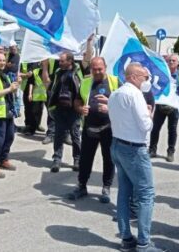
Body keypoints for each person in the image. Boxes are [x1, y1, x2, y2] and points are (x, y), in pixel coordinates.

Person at [108, 63, 160, 252]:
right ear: (134, 76)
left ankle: (126, 237)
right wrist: (150, 113)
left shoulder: (115, 94)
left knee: (124, 191)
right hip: (133, 148)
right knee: (146, 194)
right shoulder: (135, 94)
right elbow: (146, 125)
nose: (147, 81)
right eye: (145, 77)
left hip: (118, 144)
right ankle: (144, 243)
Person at [66, 57, 120, 203]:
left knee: (108, 159)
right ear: (91, 69)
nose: (97, 72)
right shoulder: (86, 82)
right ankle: (82, 186)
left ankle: (106, 187)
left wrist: (110, 108)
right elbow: (77, 101)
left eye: (100, 69)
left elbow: (123, 105)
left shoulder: (115, 81)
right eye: (94, 69)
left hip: (109, 128)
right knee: (85, 159)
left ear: (105, 67)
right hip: (89, 128)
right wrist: (80, 108)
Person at [149, 53, 179, 162]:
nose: (171, 62)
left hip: (174, 107)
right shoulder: (162, 73)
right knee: (155, 128)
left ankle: (170, 152)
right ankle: (152, 150)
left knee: (172, 130)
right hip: (161, 105)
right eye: (169, 60)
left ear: (178, 63)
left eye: (173, 61)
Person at [48, 52, 82, 173]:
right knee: (58, 135)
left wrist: (80, 107)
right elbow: (52, 87)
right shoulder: (58, 73)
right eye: (60, 60)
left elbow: (81, 90)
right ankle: (57, 160)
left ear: (70, 61)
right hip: (59, 109)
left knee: (75, 135)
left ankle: (77, 160)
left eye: (62, 61)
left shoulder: (77, 72)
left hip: (73, 110)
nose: (60, 62)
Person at [21, 62, 44, 135]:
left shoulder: (38, 63)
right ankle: (29, 126)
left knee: (39, 109)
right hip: (27, 88)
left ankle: (37, 125)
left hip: (40, 92)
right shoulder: (23, 61)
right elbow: (17, 73)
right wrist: (26, 75)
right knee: (28, 108)